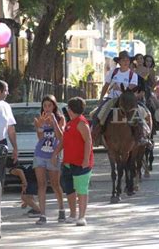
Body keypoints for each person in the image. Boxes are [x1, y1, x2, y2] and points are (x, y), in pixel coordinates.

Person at [93, 50, 151, 147]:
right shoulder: (112, 72)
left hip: (127, 100)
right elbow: (106, 86)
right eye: (123, 60)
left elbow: (130, 89)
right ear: (119, 62)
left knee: (139, 114)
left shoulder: (133, 75)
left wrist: (118, 87)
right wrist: (101, 98)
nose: (126, 62)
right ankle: (96, 136)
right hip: (112, 98)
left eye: (127, 60)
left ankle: (141, 136)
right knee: (97, 114)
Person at [52, 97, 93, 226]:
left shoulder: (81, 123)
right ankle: (73, 214)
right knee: (69, 189)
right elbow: (64, 141)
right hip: (68, 162)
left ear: (70, 109)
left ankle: (82, 216)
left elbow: (88, 141)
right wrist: (55, 153)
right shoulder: (70, 123)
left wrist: (86, 159)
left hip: (81, 162)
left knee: (81, 189)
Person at [33, 95, 66, 225]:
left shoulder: (60, 118)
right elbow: (40, 138)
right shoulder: (40, 119)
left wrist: (54, 122)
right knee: (41, 184)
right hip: (40, 155)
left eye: (49, 105)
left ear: (54, 106)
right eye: (45, 105)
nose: (47, 108)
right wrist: (40, 126)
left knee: (55, 184)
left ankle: (61, 210)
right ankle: (42, 214)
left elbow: (61, 137)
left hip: (54, 155)